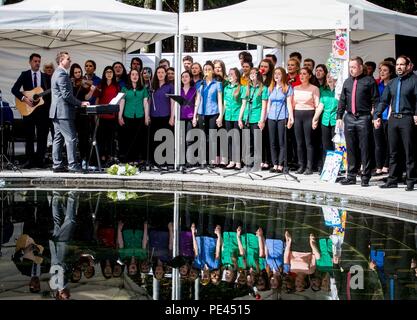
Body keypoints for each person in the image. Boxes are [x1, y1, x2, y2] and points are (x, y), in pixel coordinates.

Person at [374, 56, 417, 191]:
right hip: (393, 119)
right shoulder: (392, 82)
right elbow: (384, 101)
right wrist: (377, 114)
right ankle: (392, 179)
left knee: (409, 151)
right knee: (393, 151)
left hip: (407, 118)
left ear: (409, 66)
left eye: (402, 64)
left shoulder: (414, 81)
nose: (399, 67)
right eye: (397, 64)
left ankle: (411, 180)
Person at [337, 56, 379, 187]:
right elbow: (342, 100)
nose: (351, 70)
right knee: (351, 148)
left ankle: (365, 176)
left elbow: (376, 100)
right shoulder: (347, 82)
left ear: (361, 67)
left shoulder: (369, 81)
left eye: (354, 67)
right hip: (349, 117)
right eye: (350, 67)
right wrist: (339, 117)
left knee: (365, 148)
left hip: (364, 117)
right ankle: (351, 176)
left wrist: (375, 115)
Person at [49, 51, 89, 173]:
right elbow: (66, 95)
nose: (70, 61)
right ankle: (72, 165)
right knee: (71, 138)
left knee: (58, 138)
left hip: (56, 112)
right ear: (61, 60)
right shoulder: (62, 74)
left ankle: (57, 164)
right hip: (63, 112)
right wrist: (80, 102)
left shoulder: (57, 73)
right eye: (68, 59)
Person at [11, 53, 51, 168]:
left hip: (42, 111)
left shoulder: (45, 77)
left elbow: (48, 94)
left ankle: (40, 160)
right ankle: (29, 160)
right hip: (28, 109)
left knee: (42, 136)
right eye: (35, 61)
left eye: (39, 61)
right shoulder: (24, 75)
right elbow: (14, 89)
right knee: (29, 135)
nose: (37, 63)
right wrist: (24, 99)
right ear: (30, 62)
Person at [192, 61, 223, 166]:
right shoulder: (200, 84)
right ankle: (203, 158)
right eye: (205, 69)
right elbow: (197, 100)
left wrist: (220, 115)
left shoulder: (218, 84)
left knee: (213, 136)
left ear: (213, 71)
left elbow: (219, 100)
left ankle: (212, 158)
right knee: (202, 136)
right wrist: (194, 115)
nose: (207, 71)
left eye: (209, 69)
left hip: (213, 112)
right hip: (201, 112)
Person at [238, 67, 268, 170]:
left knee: (257, 141)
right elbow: (243, 104)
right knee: (248, 141)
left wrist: (262, 120)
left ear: (258, 75)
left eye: (254, 73)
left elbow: (264, 106)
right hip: (247, 117)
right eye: (251, 73)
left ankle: (257, 162)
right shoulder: (247, 88)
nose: (252, 75)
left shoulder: (263, 88)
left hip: (256, 117)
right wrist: (240, 118)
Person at [292, 67, 320, 175]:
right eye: (301, 74)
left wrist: (315, 119)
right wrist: (291, 118)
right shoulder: (296, 88)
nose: (302, 76)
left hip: (309, 114)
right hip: (298, 114)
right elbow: (293, 104)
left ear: (309, 75)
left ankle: (309, 166)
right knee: (299, 142)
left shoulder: (314, 88)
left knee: (309, 142)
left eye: (304, 74)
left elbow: (317, 105)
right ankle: (301, 165)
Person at [118, 69, 150, 164]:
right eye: (133, 74)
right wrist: (120, 116)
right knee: (128, 138)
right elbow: (122, 103)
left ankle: (137, 159)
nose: (135, 76)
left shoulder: (143, 88)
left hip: (140, 116)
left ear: (139, 77)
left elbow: (146, 103)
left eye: (136, 74)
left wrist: (146, 116)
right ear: (130, 76)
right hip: (128, 116)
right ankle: (128, 159)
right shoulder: (125, 89)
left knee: (139, 138)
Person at [267, 67, 294, 173]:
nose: (276, 76)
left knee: (282, 141)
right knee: (273, 141)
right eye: (275, 74)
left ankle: (281, 164)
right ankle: (274, 164)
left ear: (283, 75)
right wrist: (265, 118)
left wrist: (291, 117)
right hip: (271, 117)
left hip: (282, 116)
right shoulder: (271, 88)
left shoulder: (287, 88)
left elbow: (289, 104)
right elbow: (269, 103)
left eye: (279, 74)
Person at [313, 65, 339, 167]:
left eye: (332, 77)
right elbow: (320, 106)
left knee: (336, 144)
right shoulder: (323, 90)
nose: (329, 79)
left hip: (336, 121)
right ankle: (327, 167)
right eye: (328, 77)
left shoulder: (339, 91)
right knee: (326, 145)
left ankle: (338, 168)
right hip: (325, 120)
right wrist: (314, 119)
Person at [373, 61, 395, 176]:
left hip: (389, 117)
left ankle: (386, 166)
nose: (382, 72)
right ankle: (378, 167)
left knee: (388, 143)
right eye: (380, 70)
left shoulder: (393, 84)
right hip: (378, 117)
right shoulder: (377, 85)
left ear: (391, 72)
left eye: (385, 70)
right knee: (378, 143)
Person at [223, 68, 244, 170]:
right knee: (230, 139)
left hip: (236, 116)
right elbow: (225, 104)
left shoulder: (241, 88)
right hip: (228, 116)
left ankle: (238, 162)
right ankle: (231, 161)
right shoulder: (226, 88)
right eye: (229, 74)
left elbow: (242, 104)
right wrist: (221, 116)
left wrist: (240, 118)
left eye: (232, 74)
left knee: (237, 139)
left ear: (236, 76)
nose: (230, 75)